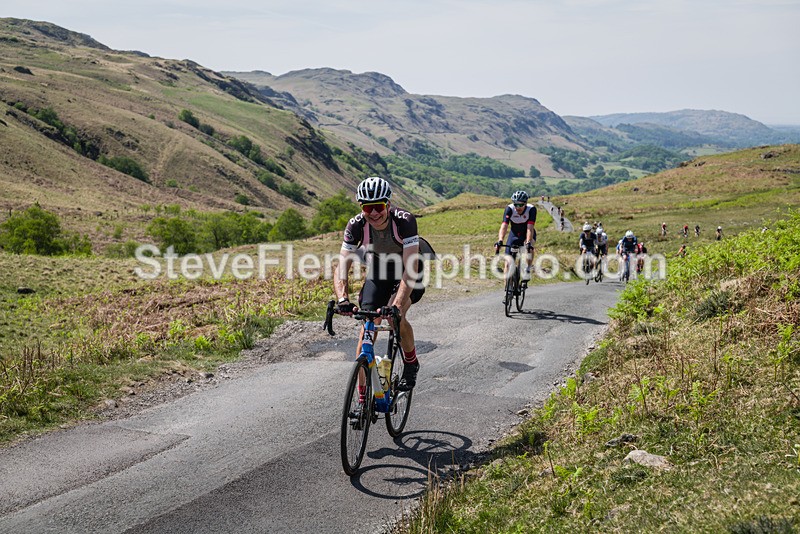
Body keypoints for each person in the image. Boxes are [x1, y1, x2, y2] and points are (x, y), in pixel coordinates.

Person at [334, 177, 423, 391]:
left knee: (395, 318)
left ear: (388, 205)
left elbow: (410, 270)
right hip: (379, 271)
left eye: (378, 206)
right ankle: (362, 400)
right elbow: (341, 266)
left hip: (408, 270)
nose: (373, 213)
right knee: (368, 325)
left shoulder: (405, 221)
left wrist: (397, 305)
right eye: (368, 207)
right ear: (361, 208)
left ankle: (411, 363)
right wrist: (342, 298)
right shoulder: (356, 225)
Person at [495, 191, 536, 289]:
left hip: (527, 232)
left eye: (520, 205)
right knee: (507, 262)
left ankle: (528, 269)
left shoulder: (531, 209)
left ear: (525, 203)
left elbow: (530, 227)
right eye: (516, 204)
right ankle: (507, 289)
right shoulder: (509, 209)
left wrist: (528, 242)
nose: (518, 207)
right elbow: (504, 225)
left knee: (529, 248)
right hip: (514, 233)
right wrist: (500, 240)